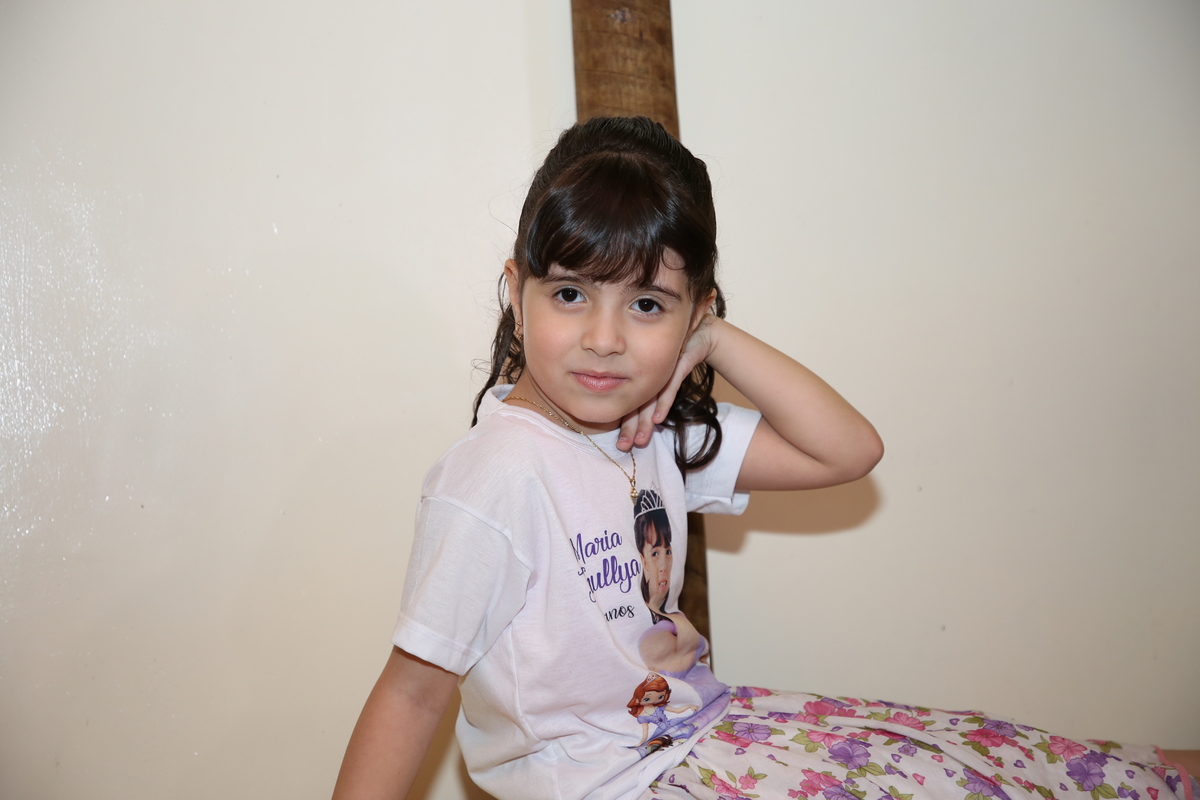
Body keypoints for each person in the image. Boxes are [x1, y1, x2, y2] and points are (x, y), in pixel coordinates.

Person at [332, 117, 1198, 800]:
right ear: (516, 294)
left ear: (694, 312)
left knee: (987, 761)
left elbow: (849, 451)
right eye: (569, 293)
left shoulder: (648, 429)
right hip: (610, 785)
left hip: (694, 734)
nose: (604, 338)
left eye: (648, 304)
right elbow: (412, 694)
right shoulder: (497, 476)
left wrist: (715, 341)